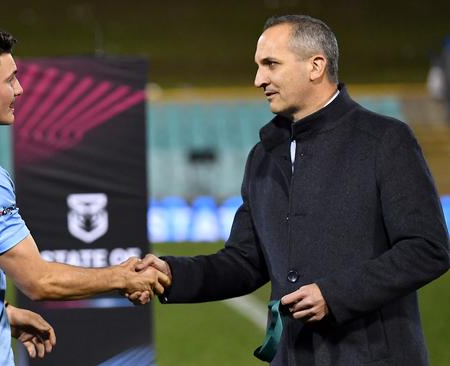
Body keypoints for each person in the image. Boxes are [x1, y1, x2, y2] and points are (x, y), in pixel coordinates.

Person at [135, 15, 450, 365]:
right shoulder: (263, 155)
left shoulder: (385, 140)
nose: (258, 79)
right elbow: (244, 261)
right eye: (257, 66)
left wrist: (334, 295)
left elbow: (427, 248)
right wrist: (172, 273)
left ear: (316, 66)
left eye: (271, 64)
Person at [0, 24, 168, 366]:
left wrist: (1, 315)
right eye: (10, 79)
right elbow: (38, 281)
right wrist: (121, 277)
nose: (20, 89)